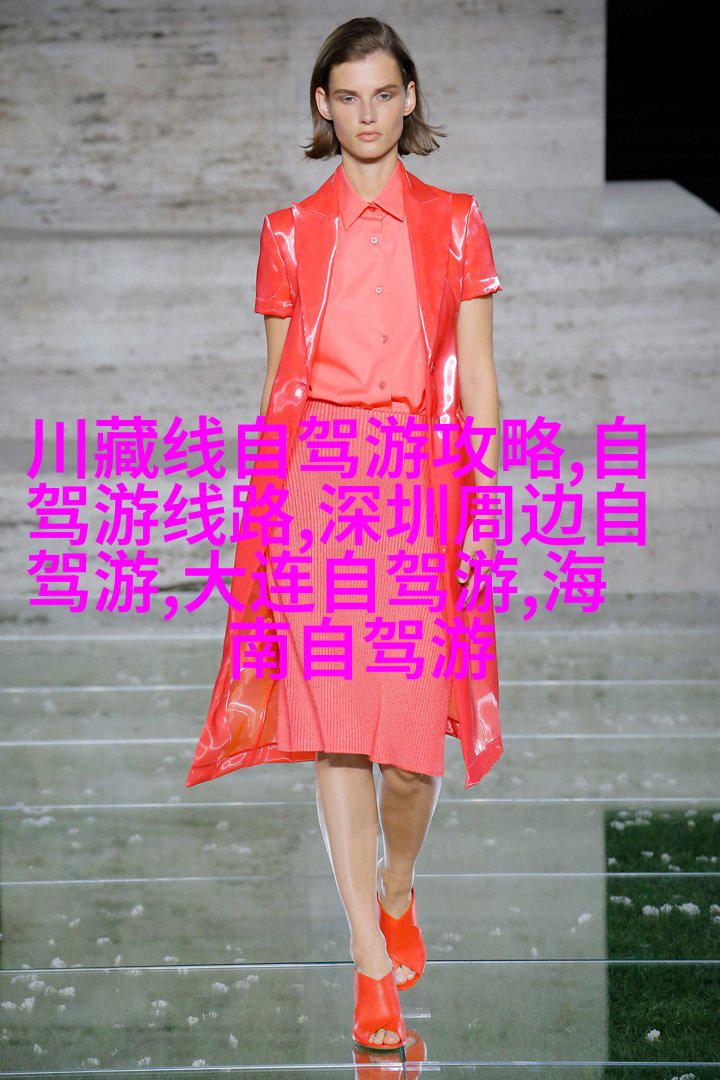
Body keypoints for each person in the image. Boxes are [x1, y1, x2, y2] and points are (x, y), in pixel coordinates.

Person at [187, 16, 504, 1057]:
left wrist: (484, 501)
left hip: (419, 483)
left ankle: (397, 886)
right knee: (335, 732)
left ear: (409, 98)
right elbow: (276, 385)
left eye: (385, 93)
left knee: (410, 752)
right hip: (317, 486)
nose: (368, 113)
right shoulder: (289, 230)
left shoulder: (457, 222)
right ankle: (369, 963)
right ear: (324, 106)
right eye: (348, 96)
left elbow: (479, 374)